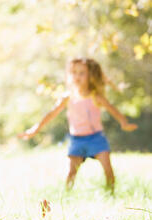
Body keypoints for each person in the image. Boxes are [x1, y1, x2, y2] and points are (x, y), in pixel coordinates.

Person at [18, 58, 138, 193]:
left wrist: (124, 122)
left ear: (90, 76)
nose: (77, 76)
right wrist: (35, 129)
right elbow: (51, 114)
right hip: (77, 139)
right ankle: (67, 195)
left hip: (96, 138)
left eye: (82, 73)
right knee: (71, 172)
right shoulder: (67, 97)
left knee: (107, 168)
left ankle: (111, 193)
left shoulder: (95, 96)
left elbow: (112, 109)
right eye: (74, 73)